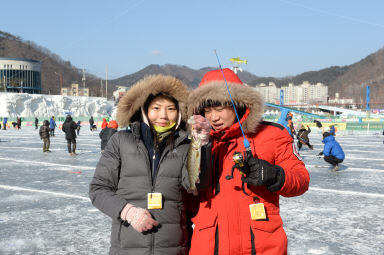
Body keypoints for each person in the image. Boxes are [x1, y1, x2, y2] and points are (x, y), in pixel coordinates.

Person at [187, 68, 310, 255]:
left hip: (262, 246)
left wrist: (275, 176)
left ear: (238, 103)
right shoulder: (197, 142)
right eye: (208, 110)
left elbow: (301, 180)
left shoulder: (272, 134)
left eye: (220, 108)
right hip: (210, 246)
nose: (214, 117)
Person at [89, 75, 193, 254]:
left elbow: (197, 187)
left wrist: (202, 145)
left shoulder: (186, 147)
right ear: (144, 110)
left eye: (170, 108)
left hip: (172, 248)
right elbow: (98, 189)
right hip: (127, 247)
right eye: (156, 108)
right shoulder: (120, 142)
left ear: (179, 112)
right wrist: (128, 212)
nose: (163, 115)